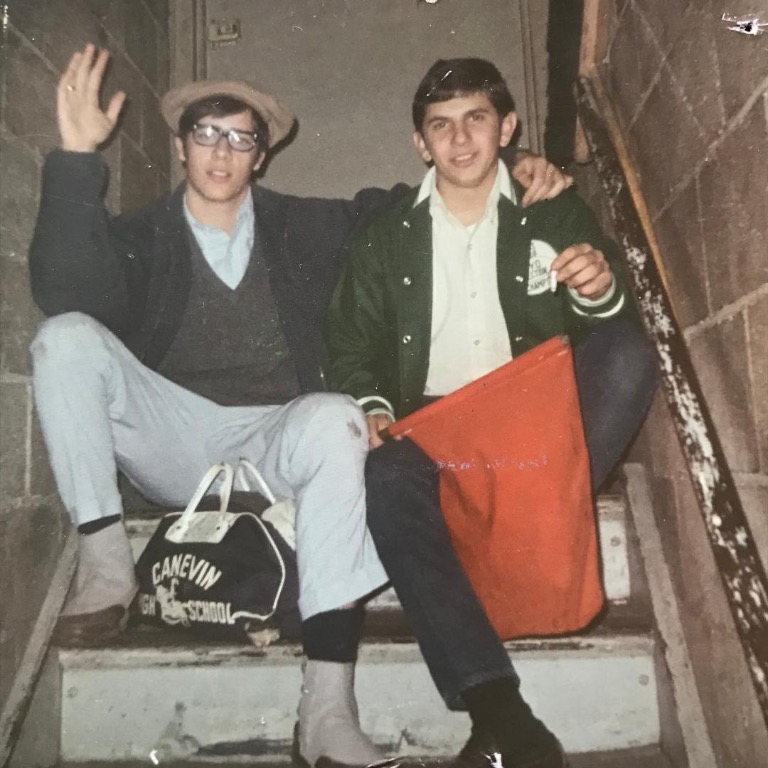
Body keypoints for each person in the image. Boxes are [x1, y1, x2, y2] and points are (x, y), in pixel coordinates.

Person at [28, 45, 572, 768]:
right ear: (181, 145)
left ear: (261, 155)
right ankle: (104, 567)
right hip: (175, 438)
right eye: (206, 134)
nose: (222, 153)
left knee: (335, 414)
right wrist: (73, 154)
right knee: (64, 338)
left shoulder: (309, 226)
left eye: (241, 137)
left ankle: (325, 712)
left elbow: (417, 195)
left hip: (277, 439)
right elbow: (64, 292)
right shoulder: (138, 236)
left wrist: (518, 161)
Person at [327, 58, 658, 768]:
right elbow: (350, 345)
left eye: (477, 118)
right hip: (437, 429)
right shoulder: (385, 234)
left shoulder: (553, 206)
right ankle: (502, 712)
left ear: (507, 128)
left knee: (629, 351)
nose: (460, 140)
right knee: (385, 475)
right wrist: (379, 407)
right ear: (421, 143)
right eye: (440, 126)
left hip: (529, 422)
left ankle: (516, 516)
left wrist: (597, 289)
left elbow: (607, 307)